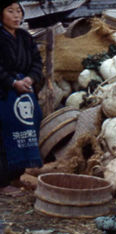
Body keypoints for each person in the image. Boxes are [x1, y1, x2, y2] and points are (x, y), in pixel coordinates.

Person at [0, 0, 43, 196]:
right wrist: (12, 82)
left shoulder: (26, 37)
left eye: (19, 11)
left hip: (24, 93)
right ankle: (2, 182)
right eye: (11, 11)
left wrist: (30, 78)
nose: (17, 15)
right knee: (4, 135)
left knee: (25, 133)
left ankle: (16, 175)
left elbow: (36, 62)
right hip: (4, 93)